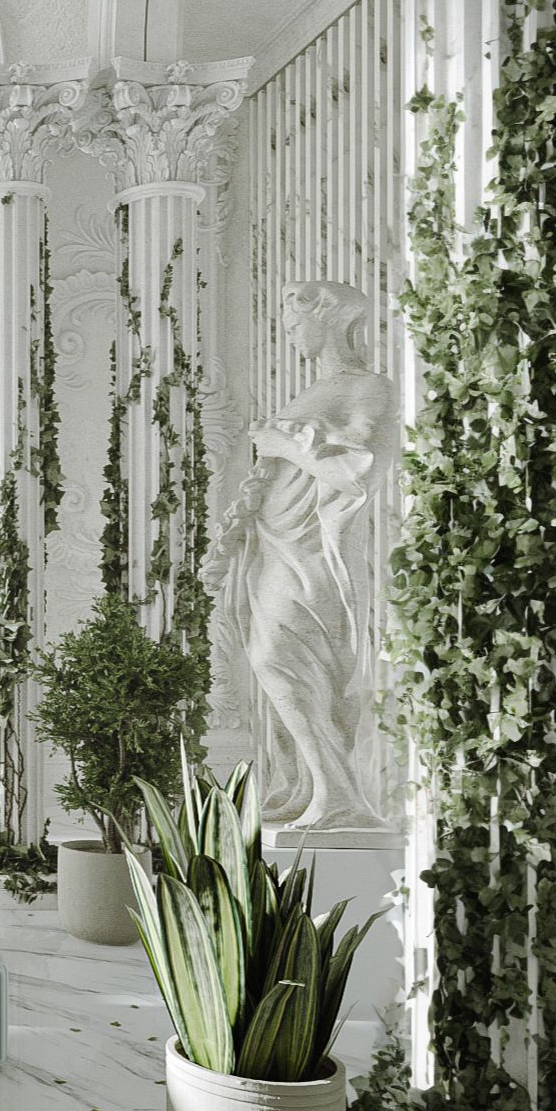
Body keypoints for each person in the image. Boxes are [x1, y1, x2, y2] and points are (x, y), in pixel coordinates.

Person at [210, 280, 396, 828]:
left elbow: (358, 471)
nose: (289, 332)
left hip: (315, 551)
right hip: (274, 544)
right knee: (274, 663)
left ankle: (338, 796)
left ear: (330, 318)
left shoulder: (370, 388)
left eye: (295, 321)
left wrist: (285, 443)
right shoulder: (313, 390)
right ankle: (310, 786)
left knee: (282, 661)